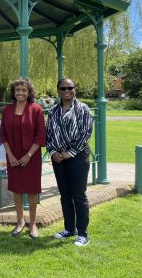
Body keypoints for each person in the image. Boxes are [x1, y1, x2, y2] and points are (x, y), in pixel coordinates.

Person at [46, 78, 93, 247]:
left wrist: (69, 153)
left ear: (75, 89)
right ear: (58, 90)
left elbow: (86, 133)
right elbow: (48, 135)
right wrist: (53, 152)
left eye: (70, 88)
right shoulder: (53, 111)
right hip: (58, 158)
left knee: (78, 195)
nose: (66, 91)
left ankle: (82, 233)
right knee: (65, 195)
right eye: (63, 88)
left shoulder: (83, 109)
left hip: (77, 157)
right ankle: (69, 228)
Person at [0, 77, 46, 238]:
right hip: (13, 155)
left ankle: (32, 223)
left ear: (29, 92)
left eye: (24, 90)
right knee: (16, 189)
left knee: (32, 190)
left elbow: (41, 136)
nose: (20, 92)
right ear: (13, 92)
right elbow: (3, 135)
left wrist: (28, 155)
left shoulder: (36, 109)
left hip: (31, 156)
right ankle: (20, 221)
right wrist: (10, 155)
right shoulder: (7, 110)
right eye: (18, 90)